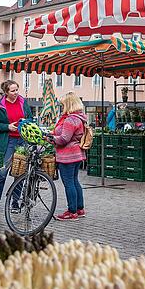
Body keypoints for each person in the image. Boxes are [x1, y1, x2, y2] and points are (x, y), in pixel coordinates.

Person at [0, 79, 32, 207]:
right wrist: (7, 127)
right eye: (13, 91)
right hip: (8, 141)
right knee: (2, 173)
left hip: (22, 140)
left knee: (20, 172)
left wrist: (25, 121)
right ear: (6, 92)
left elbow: (30, 118)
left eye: (16, 90)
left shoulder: (22, 102)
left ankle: (15, 201)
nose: (16, 93)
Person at [52, 92, 87, 221]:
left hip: (68, 156)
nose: (61, 107)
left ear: (68, 104)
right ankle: (80, 209)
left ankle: (72, 211)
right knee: (74, 181)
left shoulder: (70, 120)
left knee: (69, 183)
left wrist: (51, 138)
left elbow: (63, 139)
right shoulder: (79, 117)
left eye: (62, 105)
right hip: (77, 154)